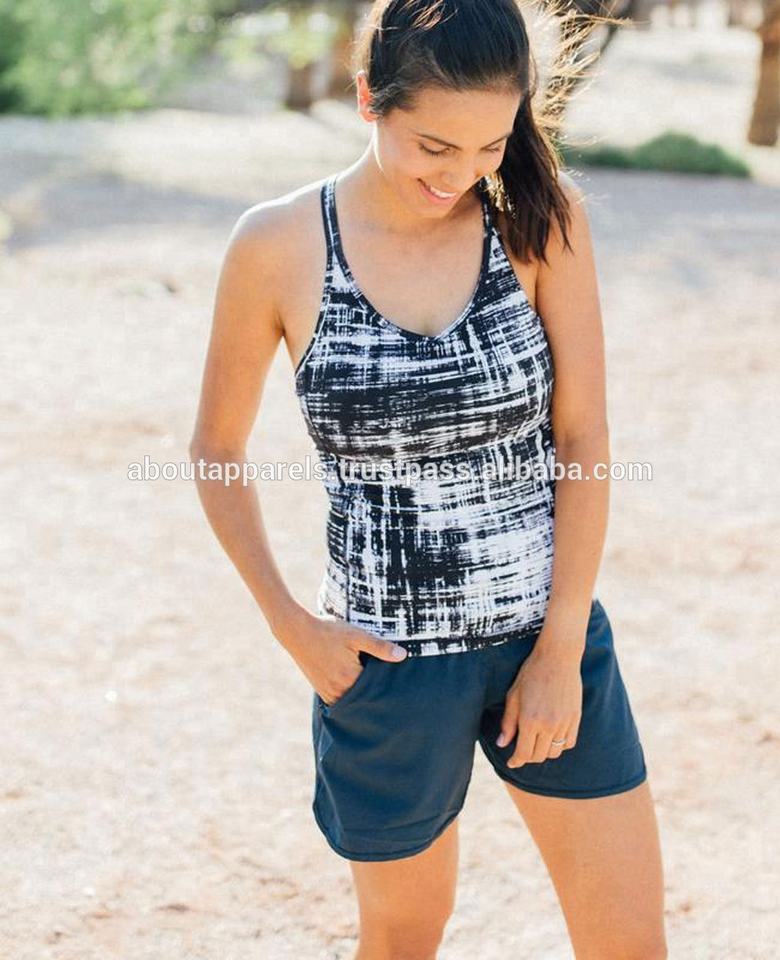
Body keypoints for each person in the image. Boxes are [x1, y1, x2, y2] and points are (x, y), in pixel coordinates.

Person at [190, 1, 667, 957]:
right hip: (385, 667)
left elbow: (583, 437)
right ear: (370, 98)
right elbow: (216, 449)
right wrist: (291, 623)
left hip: (545, 640)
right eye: (434, 146)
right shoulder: (278, 245)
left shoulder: (539, 221)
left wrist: (559, 651)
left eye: (491, 145)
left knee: (627, 942)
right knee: (405, 938)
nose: (459, 175)